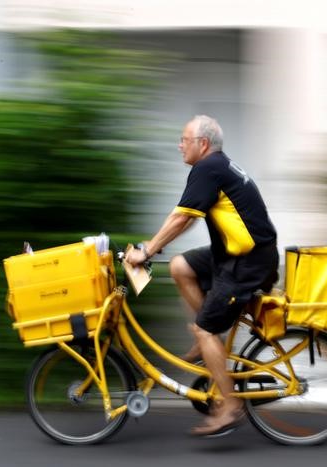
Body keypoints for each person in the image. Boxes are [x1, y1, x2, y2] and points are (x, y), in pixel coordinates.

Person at [125, 115, 279, 436]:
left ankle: (230, 404)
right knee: (181, 267)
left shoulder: (208, 168)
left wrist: (147, 251)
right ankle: (209, 338)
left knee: (205, 329)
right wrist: (151, 245)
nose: (179, 145)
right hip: (232, 255)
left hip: (249, 263)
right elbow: (187, 214)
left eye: (184, 140)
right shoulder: (216, 167)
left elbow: (181, 219)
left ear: (203, 144)